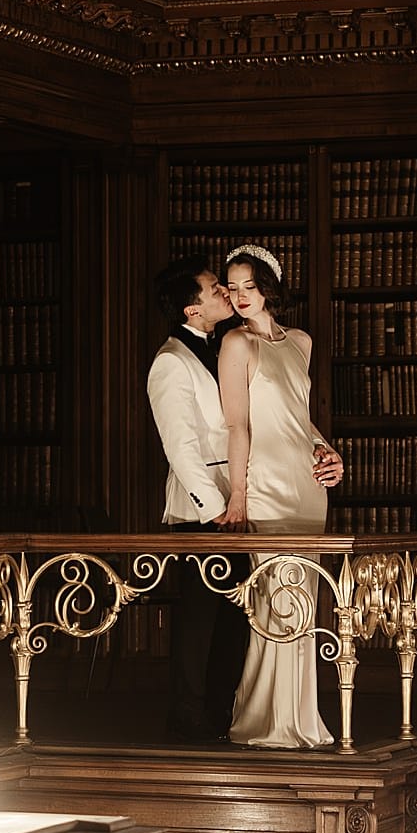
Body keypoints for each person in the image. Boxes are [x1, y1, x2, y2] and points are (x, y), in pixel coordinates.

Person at [219, 246, 344, 749]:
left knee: (306, 604)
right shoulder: (236, 343)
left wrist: (328, 451)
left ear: (269, 287)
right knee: (273, 601)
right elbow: (238, 425)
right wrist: (239, 497)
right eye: (232, 288)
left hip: (306, 486)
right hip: (265, 485)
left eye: (249, 286)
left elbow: (299, 417)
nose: (240, 296)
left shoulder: (301, 342)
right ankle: (263, 723)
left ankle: (301, 722)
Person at [145, 256, 248, 744]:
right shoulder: (170, 361)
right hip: (201, 513)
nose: (225, 293)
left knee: (233, 621)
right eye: (214, 289)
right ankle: (187, 720)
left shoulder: (226, 346)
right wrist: (216, 512)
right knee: (200, 622)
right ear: (192, 308)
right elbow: (180, 447)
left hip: (240, 505)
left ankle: (219, 717)